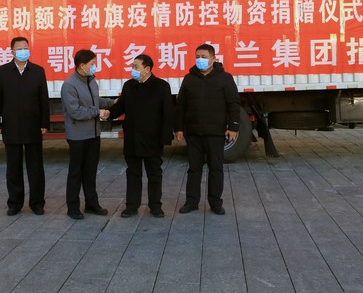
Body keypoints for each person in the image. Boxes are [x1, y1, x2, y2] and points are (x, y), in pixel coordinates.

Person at [175, 43, 242, 215]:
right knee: (194, 168)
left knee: (216, 168)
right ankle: (192, 202)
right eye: (197, 56)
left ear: (213, 59)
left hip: (215, 132)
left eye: (204, 57)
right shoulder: (189, 79)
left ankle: (215, 202)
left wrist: (233, 127)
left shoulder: (225, 78)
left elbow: (233, 104)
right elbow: (181, 105)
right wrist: (179, 128)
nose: (200, 60)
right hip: (193, 132)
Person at [0, 36, 51, 216]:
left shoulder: (38, 71)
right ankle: (15, 203)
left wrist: (44, 123)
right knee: (13, 167)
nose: (24, 50)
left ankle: (37, 203)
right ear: (12, 52)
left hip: (33, 125)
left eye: (26, 47)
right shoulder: (3, 71)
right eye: (20, 48)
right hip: (11, 125)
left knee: (36, 167)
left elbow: (44, 100)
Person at [109, 54, 173, 218]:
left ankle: (155, 206)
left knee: (154, 173)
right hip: (132, 138)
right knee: (133, 173)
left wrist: (166, 137)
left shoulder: (161, 87)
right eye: (132, 66)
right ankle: (131, 206)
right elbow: (121, 106)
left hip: (152, 139)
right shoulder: (129, 86)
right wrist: (109, 113)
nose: (133, 70)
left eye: (136, 67)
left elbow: (168, 114)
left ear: (147, 69)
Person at [61, 49, 114, 220]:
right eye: (92, 63)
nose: (94, 66)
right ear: (82, 65)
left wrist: (112, 103)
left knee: (90, 172)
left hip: (93, 134)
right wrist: (97, 112)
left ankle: (92, 204)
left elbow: (95, 101)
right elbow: (75, 111)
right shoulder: (69, 85)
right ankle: (73, 207)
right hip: (78, 136)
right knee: (76, 172)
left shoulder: (91, 81)